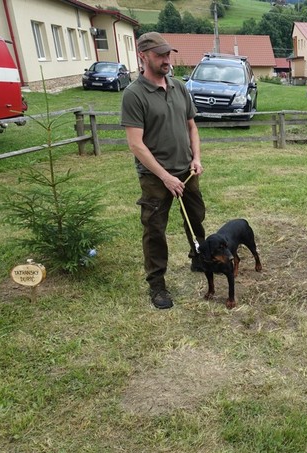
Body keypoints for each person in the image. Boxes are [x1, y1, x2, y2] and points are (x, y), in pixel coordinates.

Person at [120, 32, 206, 309]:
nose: (167, 59)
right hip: (155, 178)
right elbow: (136, 144)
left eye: (168, 54)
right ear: (143, 56)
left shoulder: (179, 87)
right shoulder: (134, 94)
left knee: (195, 217)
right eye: (160, 55)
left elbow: (191, 126)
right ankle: (157, 286)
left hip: (186, 170)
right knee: (155, 229)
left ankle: (199, 259)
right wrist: (165, 177)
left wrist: (197, 158)